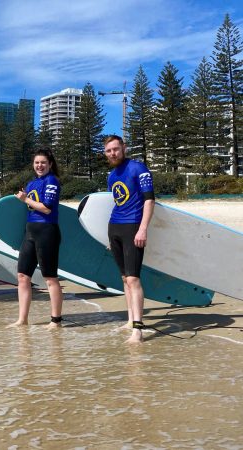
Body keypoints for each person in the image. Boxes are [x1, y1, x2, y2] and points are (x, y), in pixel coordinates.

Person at [104, 135, 155, 344]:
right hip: (114, 227)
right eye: (108, 151)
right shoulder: (111, 175)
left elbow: (149, 200)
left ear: (124, 148)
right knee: (124, 278)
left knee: (133, 278)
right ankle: (129, 320)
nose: (113, 153)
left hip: (133, 226)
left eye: (116, 149)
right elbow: (112, 202)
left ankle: (138, 330)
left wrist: (143, 229)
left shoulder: (138, 168)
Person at [9, 149, 64, 329]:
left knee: (50, 277)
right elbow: (29, 207)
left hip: (47, 231)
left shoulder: (52, 181)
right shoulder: (32, 183)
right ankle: (22, 319)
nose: (39, 165)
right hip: (30, 232)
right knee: (23, 276)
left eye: (43, 162)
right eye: (36, 163)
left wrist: (25, 199)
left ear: (50, 164)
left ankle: (55, 320)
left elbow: (47, 208)